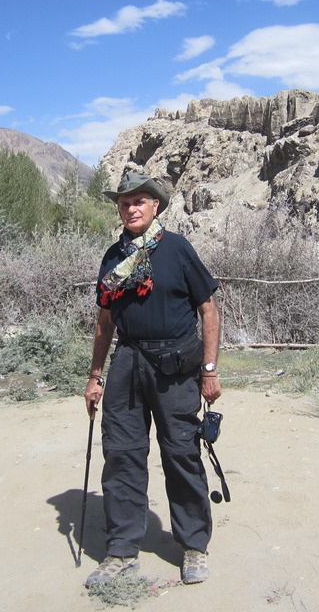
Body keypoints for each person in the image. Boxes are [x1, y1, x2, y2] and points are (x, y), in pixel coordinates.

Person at [83, 171, 222, 587]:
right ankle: (122, 550)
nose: (131, 208)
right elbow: (104, 323)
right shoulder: (114, 257)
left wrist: (210, 370)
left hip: (174, 366)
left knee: (181, 452)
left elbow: (208, 309)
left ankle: (193, 544)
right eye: (125, 202)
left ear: (155, 205)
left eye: (139, 201)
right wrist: (95, 376)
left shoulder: (177, 248)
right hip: (127, 363)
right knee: (121, 453)